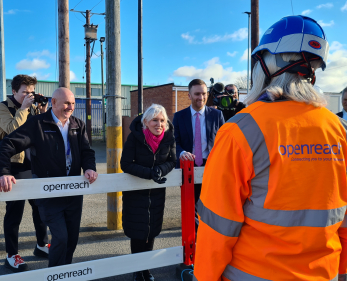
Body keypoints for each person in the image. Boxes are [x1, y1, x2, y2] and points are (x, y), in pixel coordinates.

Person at [193, 15, 347, 281]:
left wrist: (203, 277)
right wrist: (339, 270)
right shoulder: (339, 130)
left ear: (272, 63)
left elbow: (217, 226)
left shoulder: (240, 130)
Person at [0, 87, 98, 268]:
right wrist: (3, 172)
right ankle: (55, 275)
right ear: (55, 103)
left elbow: (86, 151)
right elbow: (6, 144)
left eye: (73, 103)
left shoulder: (77, 125)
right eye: (66, 103)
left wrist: (89, 168)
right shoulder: (37, 124)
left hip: (73, 194)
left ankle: (65, 273)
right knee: (61, 238)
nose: (70, 107)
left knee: (72, 239)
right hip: (49, 194)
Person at [0, 74, 49, 272]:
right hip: (12, 166)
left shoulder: (33, 106)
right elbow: (11, 131)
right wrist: (25, 108)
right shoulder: (2, 107)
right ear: (14, 91)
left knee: (40, 207)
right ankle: (11, 254)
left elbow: (40, 132)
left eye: (31, 92)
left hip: (32, 164)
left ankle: (42, 245)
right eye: (25, 92)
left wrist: (42, 111)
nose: (29, 95)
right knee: (14, 212)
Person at [120, 104, 176, 281]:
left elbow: (172, 161)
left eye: (162, 120)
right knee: (138, 234)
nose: (159, 124)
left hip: (156, 195)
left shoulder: (169, 138)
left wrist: (160, 170)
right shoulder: (134, 138)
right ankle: (138, 271)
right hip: (136, 194)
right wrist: (149, 173)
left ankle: (146, 270)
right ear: (146, 122)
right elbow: (126, 164)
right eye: (155, 120)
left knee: (151, 233)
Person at [172, 79, 224, 232]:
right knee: (190, 207)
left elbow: (223, 141)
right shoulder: (179, 116)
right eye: (197, 94)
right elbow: (174, 141)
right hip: (188, 167)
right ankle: (195, 241)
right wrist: (181, 153)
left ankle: (208, 236)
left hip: (211, 167)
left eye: (203, 93)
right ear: (189, 95)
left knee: (211, 206)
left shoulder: (217, 115)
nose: (200, 97)